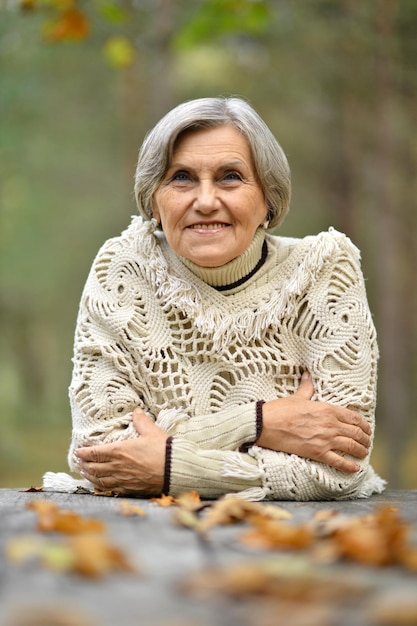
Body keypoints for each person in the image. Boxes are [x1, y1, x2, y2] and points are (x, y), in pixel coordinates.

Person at [44, 97, 385, 500]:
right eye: (182, 178)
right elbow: (102, 456)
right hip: (143, 540)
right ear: (154, 200)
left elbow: (343, 467)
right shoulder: (121, 268)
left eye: (230, 177)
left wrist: (172, 465)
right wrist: (260, 423)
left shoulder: (324, 269)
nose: (205, 201)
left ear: (268, 200)